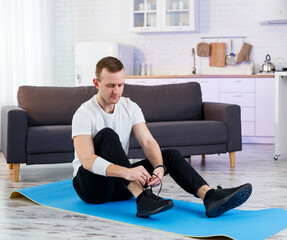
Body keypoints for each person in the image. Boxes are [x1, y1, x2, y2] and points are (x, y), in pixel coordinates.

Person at [71, 56, 252, 218]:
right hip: (91, 188)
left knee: (170, 156)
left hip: (120, 185)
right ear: (96, 83)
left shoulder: (129, 106)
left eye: (120, 85)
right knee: (107, 135)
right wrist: (127, 172)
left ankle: (210, 196)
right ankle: (143, 197)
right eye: (110, 85)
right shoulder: (84, 113)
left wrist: (158, 166)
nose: (116, 91)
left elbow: (148, 141)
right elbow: (86, 159)